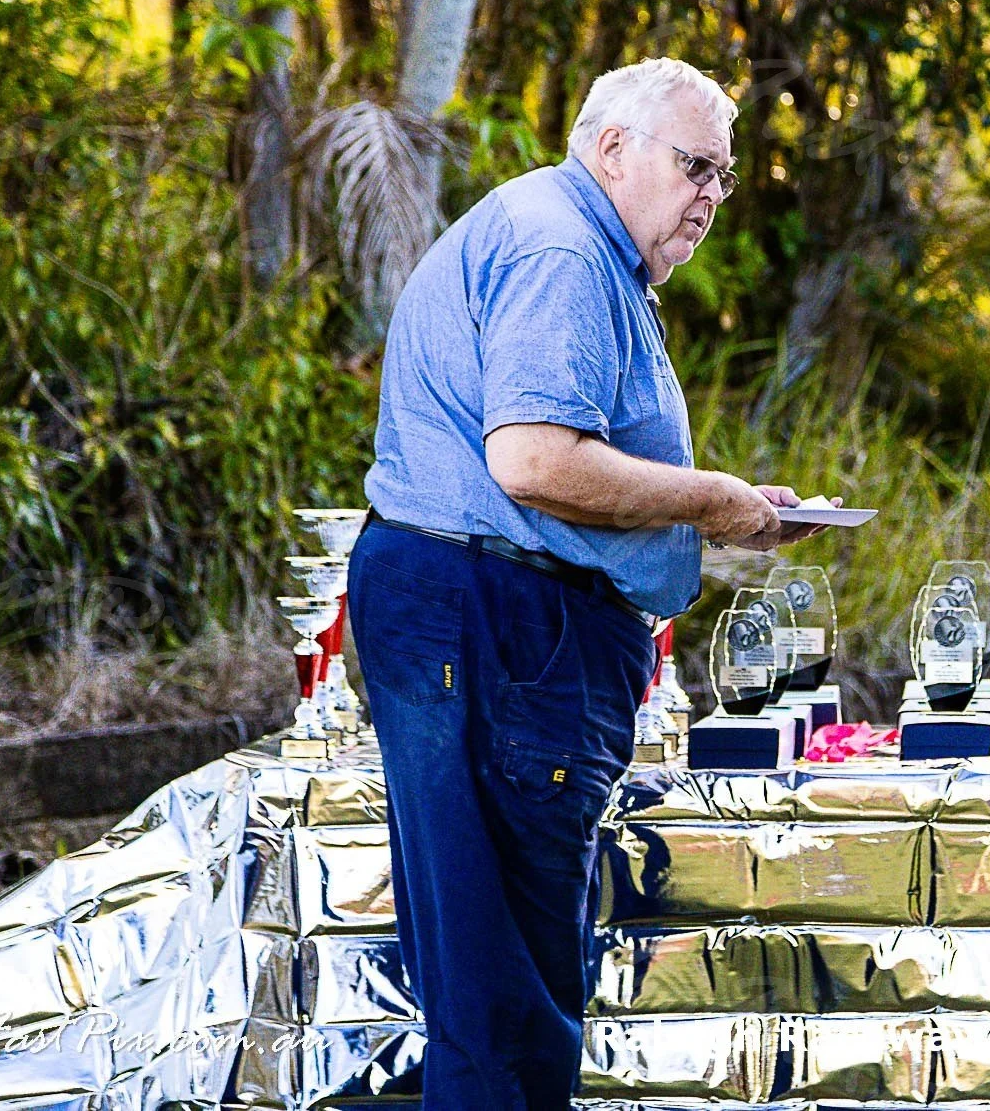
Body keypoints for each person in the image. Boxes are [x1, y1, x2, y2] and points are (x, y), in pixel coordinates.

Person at [348, 57, 829, 1109]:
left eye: (724, 177)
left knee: (497, 983)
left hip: (478, 619)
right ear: (612, 147)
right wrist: (708, 500)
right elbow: (531, 461)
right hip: (497, 626)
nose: (710, 194)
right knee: (505, 998)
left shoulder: (570, 240)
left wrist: (721, 503)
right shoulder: (565, 246)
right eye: (695, 165)